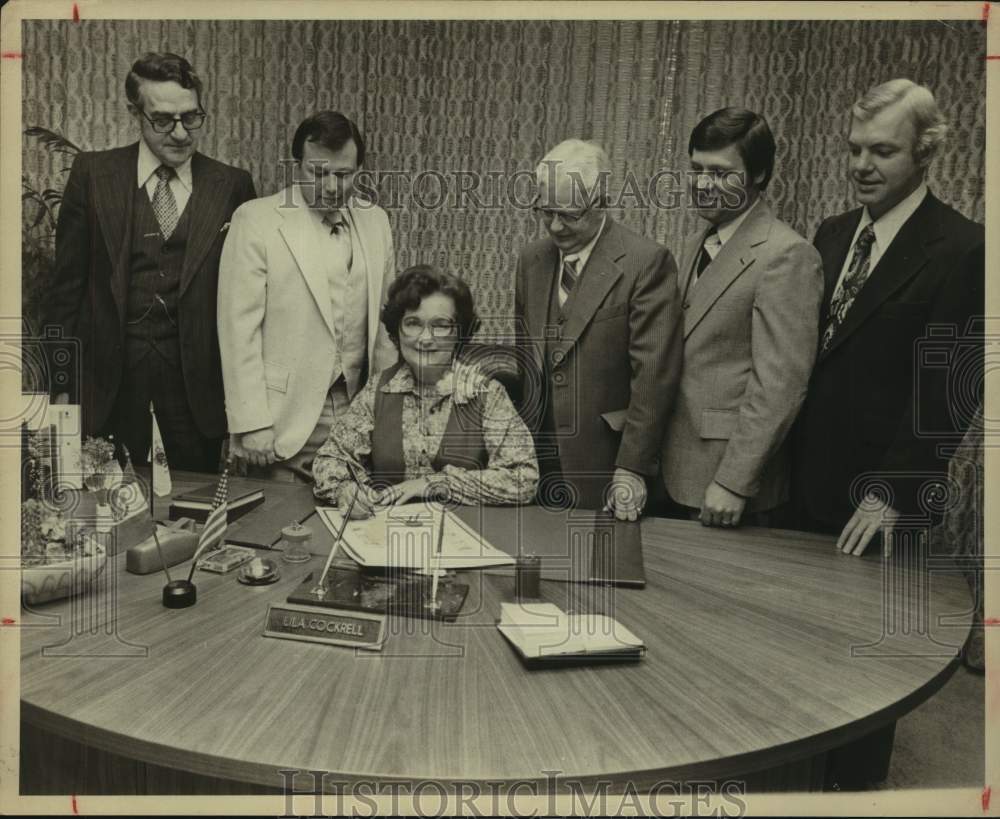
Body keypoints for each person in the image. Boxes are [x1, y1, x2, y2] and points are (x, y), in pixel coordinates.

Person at [792, 79, 984, 556]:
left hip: (879, 509)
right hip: (800, 488)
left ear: (925, 153)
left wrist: (892, 493)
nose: (861, 166)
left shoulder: (965, 249)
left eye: (881, 151)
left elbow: (950, 390)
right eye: (854, 149)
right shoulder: (832, 234)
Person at [46, 52, 256, 471]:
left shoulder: (232, 185)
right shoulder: (93, 174)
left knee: (191, 519)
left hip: (196, 396)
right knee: (108, 517)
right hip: (108, 388)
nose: (180, 133)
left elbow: (250, 302)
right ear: (134, 112)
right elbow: (65, 291)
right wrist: (61, 387)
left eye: (191, 118)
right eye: (162, 120)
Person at [659, 108, 823, 527]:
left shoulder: (786, 254)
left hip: (726, 487)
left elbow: (780, 384)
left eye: (720, 172)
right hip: (677, 471)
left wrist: (733, 482)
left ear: (759, 174)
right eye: (695, 168)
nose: (702, 183)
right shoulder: (699, 240)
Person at [218, 111, 397, 482]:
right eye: (318, 173)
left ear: (359, 170)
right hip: (281, 423)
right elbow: (238, 330)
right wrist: (252, 422)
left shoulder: (376, 221)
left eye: (344, 174)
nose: (332, 186)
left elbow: (384, 330)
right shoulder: (256, 219)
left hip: (356, 417)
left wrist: (385, 417)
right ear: (297, 166)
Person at [514, 139, 682, 520]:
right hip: (536, 461)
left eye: (569, 215)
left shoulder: (646, 262)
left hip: (606, 462)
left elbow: (654, 377)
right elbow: (527, 360)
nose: (555, 226)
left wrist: (632, 467)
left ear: (603, 202)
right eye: (545, 211)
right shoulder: (531, 261)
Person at [313, 265, 538, 515]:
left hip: (463, 539)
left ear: (459, 333)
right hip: (383, 535)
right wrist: (347, 490)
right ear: (397, 331)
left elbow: (523, 479)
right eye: (412, 323)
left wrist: (435, 483)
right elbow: (330, 458)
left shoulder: (488, 394)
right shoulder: (378, 390)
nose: (425, 338)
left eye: (441, 325)